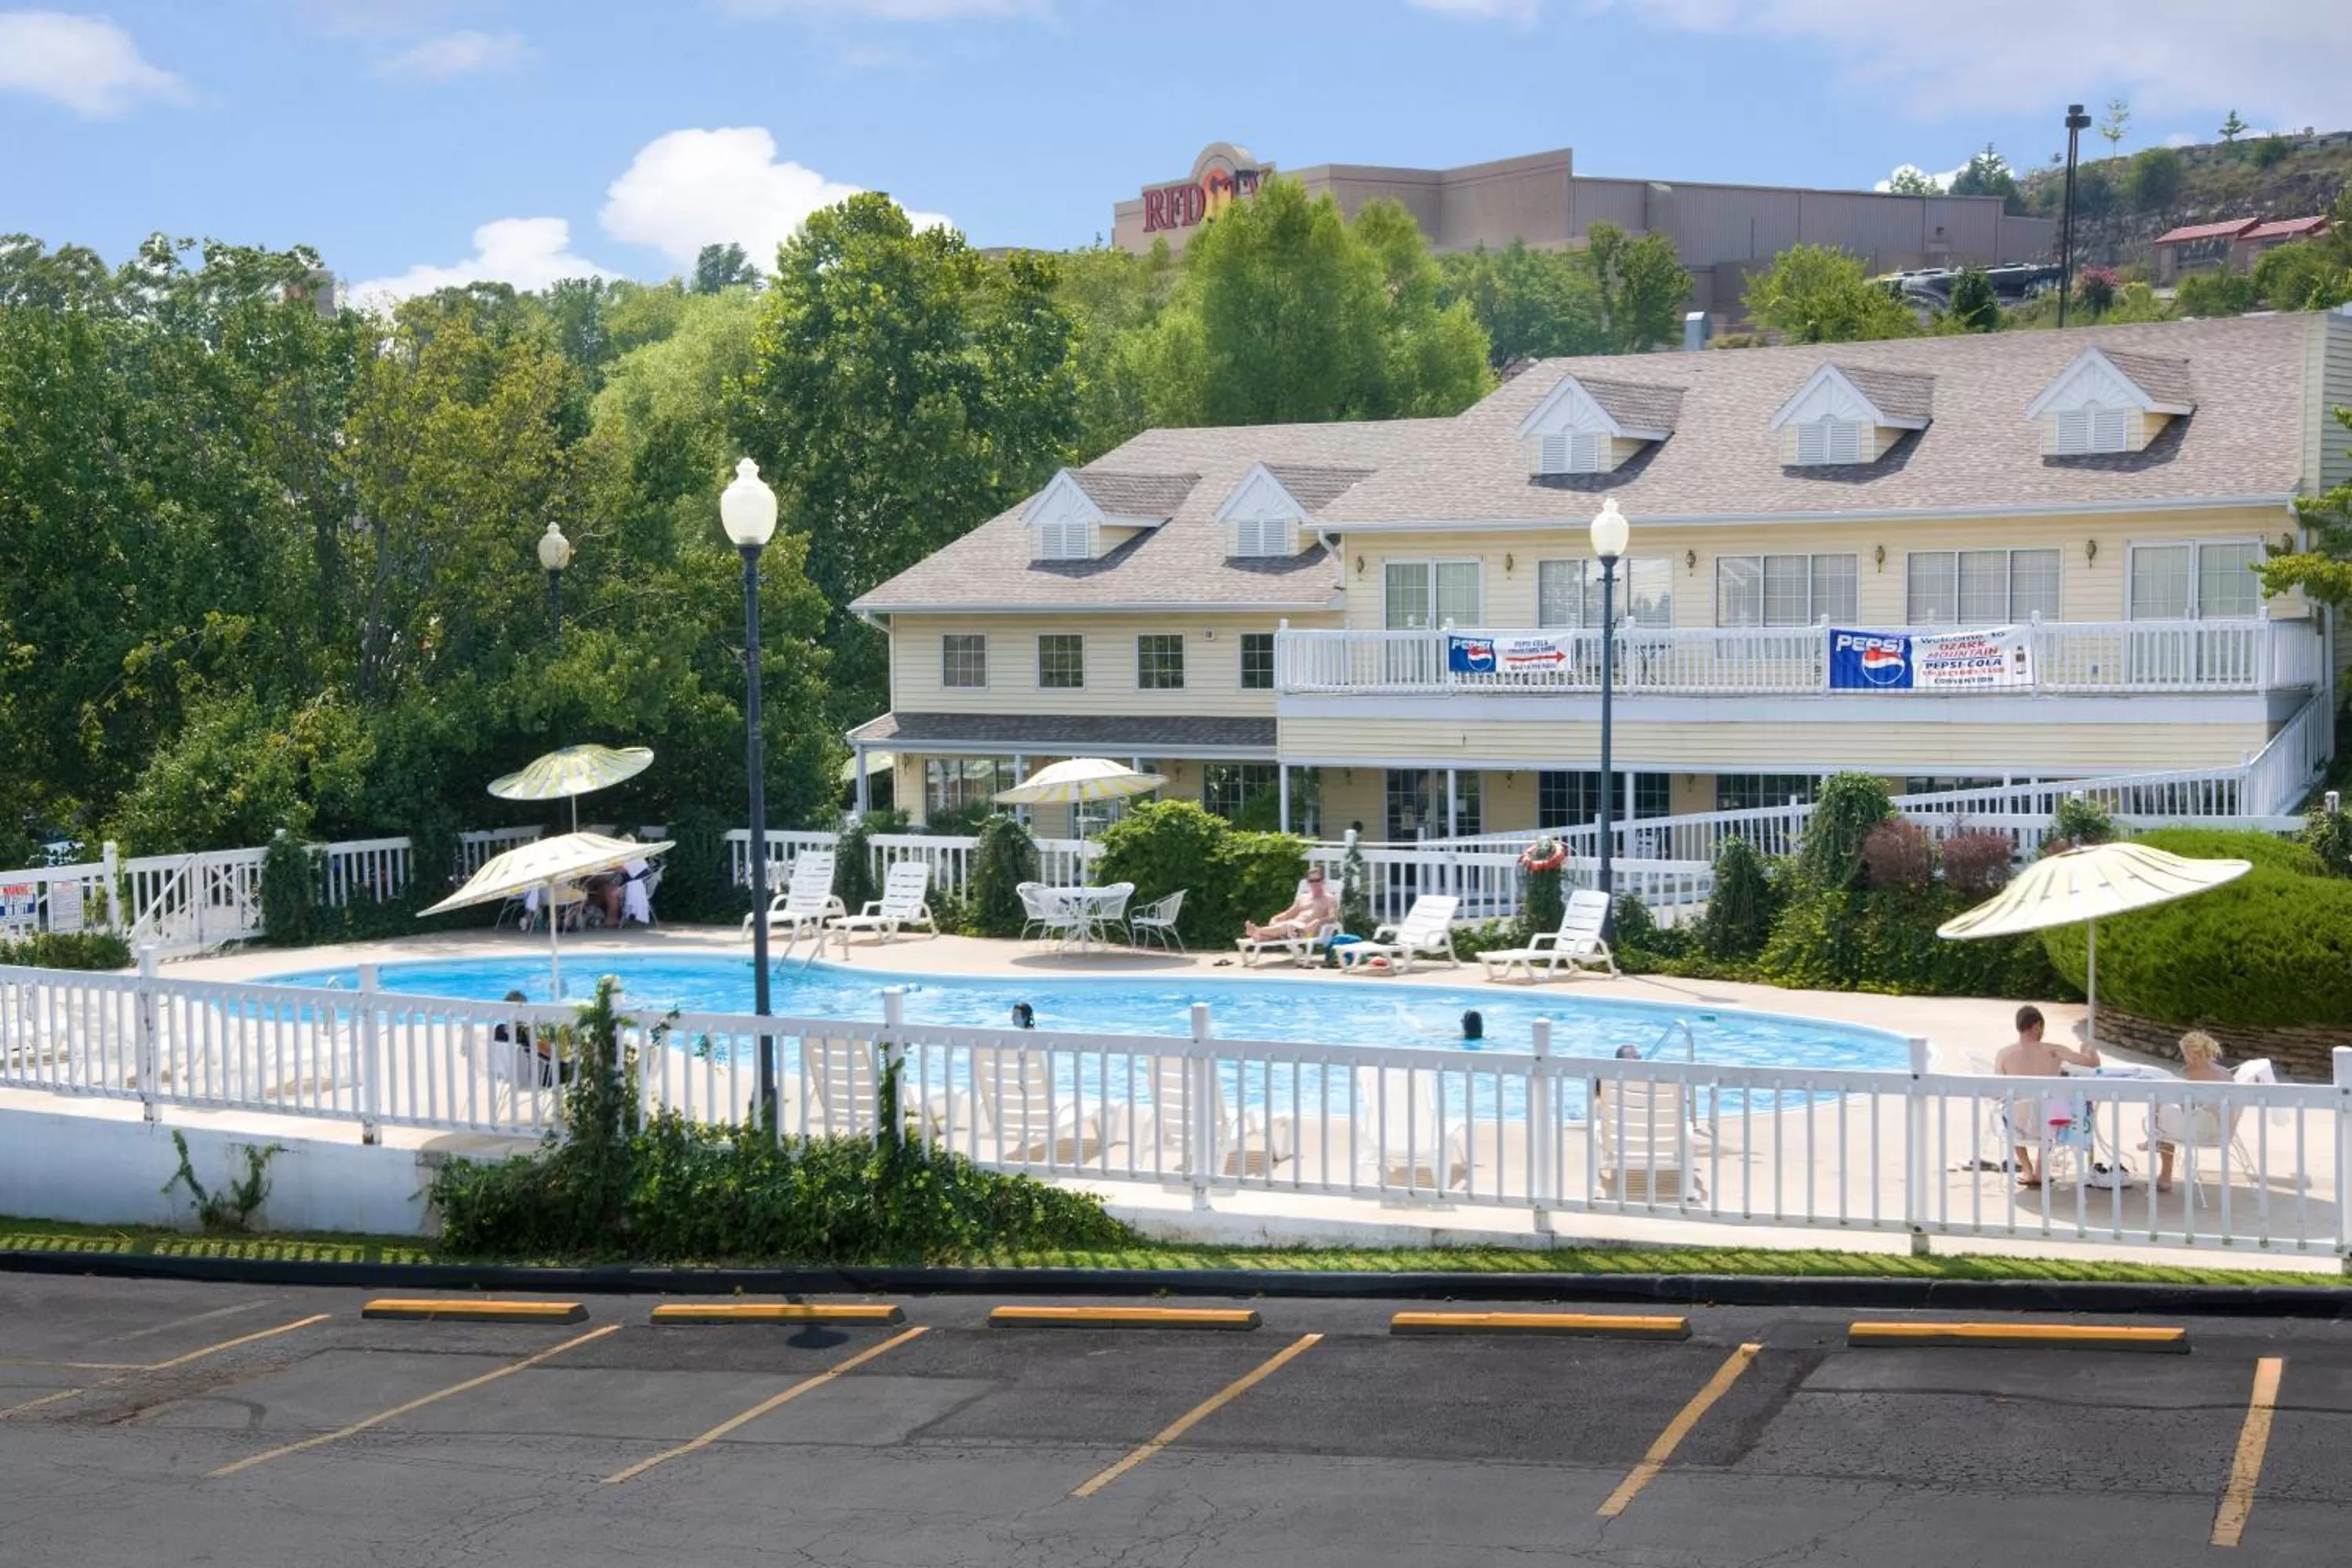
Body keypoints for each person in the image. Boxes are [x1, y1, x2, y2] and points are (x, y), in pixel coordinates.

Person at [1994, 1004, 2100, 1189]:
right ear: (2036, 1026)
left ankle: (2027, 1170)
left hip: (2016, 1123)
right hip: (2051, 1123)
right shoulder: (2054, 1050)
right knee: (2051, 1109)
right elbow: (2092, 1065)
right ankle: (2040, 1170)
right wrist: (2088, 1049)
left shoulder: (2004, 1054)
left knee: (2008, 1112)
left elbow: (1997, 1092)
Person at [2144, 1029, 2232, 1193]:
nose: (2184, 1058)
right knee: (2165, 1111)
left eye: (2184, 1054)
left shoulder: (2192, 1073)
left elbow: (2187, 1107)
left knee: (2160, 1107)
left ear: (2193, 1054)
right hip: (2220, 1129)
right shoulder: (2224, 1072)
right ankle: (2154, 1137)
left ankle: (2164, 1173)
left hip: (2197, 1130)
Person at [1244, 866, 1337, 942]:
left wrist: (1318, 921)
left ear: (1322, 881)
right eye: (1311, 881)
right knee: (1264, 936)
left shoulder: (1329, 899)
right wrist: (1276, 918)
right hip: (1293, 929)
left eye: (1317, 880)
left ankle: (1256, 930)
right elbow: (1288, 914)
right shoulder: (1303, 898)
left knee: (1287, 926)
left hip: (1308, 932)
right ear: (1308, 882)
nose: (1314, 883)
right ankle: (1257, 933)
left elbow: (1332, 918)